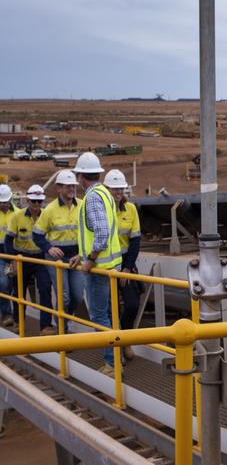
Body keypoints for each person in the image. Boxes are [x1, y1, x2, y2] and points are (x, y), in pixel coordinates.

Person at [70, 152, 122, 377]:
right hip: (109, 266)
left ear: (81, 176)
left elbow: (101, 233)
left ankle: (112, 364)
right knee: (110, 315)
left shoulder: (92, 197)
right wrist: (81, 256)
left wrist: (89, 260)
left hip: (99, 268)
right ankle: (117, 356)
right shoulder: (105, 193)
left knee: (99, 316)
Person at [33, 169, 84, 333]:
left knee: (77, 296)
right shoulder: (49, 210)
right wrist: (49, 248)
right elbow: (37, 235)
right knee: (65, 297)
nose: (71, 189)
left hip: (76, 258)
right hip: (56, 260)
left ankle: (62, 320)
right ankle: (63, 330)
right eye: (67, 186)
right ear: (58, 188)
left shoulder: (82, 205)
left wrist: (82, 253)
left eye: (73, 186)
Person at [4, 184, 55, 335]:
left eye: (40, 202)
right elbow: (8, 240)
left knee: (45, 288)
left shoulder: (47, 215)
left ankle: (45, 326)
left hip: (41, 259)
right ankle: (18, 322)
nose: (37, 205)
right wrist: (14, 259)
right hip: (22, 258)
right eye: (34, 201)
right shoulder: (17, 216)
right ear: (27, 200)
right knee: (19, 291)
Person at [104, 169, 142, 360]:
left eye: (121, 189)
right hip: (107, 265)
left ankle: (125, 340)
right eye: (114, 189)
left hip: (125, 264)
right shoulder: (102, 211)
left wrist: (127, 267)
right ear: (107, 190)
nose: (118, 193)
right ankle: (115, 348)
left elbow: (135, 241)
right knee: (110, 309)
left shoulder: (131, 209)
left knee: (132, 304)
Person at [0, 184, 16, 327]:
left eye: (5, 201)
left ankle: (11, 314)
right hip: (0, 253)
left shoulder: (18, 213)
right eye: (1, 202)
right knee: (3, 282)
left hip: (13, 252)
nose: (3, 204)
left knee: (10, 284)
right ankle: (6, 314)